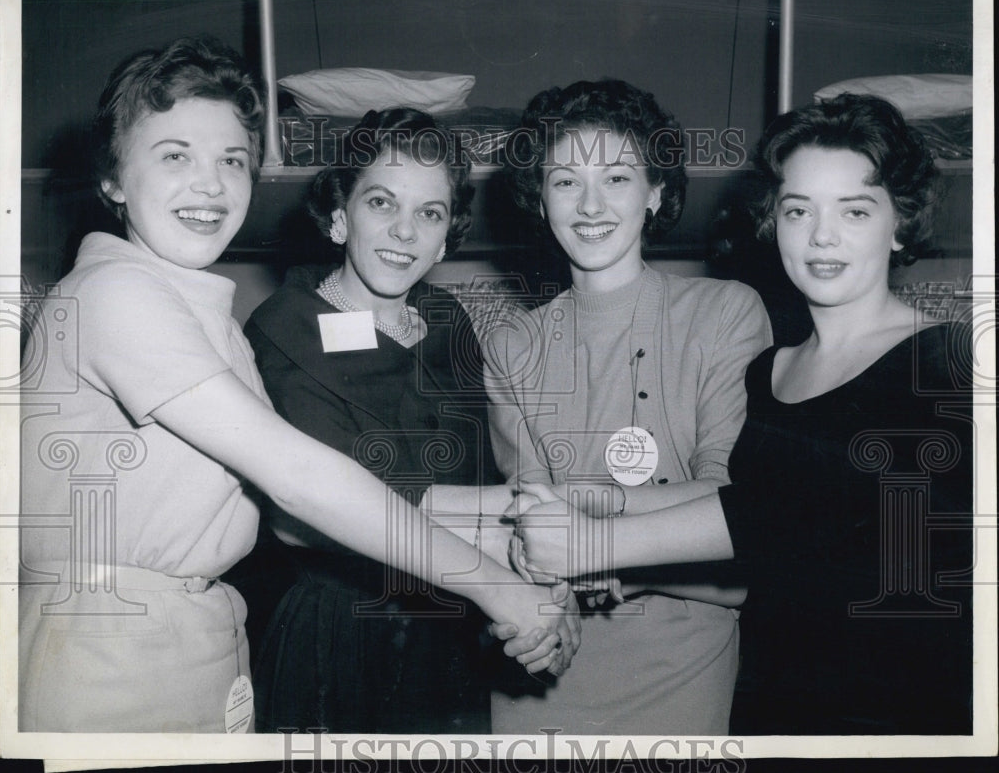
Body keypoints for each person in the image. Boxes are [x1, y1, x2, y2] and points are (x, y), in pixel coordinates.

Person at [17, 36, 574, 734]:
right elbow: (299, 480)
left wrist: (532, 536)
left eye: (232, 161)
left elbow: (292, 509)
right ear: (112, 180)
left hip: (197, 644)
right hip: (110, 653)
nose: (211, 184)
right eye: (175, 156)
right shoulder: (114, 293)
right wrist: (500, 585)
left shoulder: (197, 314)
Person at [512, 93, 974, 734]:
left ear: (901, 224)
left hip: (897, 709)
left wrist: (597, 540)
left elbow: (780, 512)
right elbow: (749, 529)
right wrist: (587, 507)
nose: (822, 235)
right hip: (767, 704)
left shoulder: (945, 362)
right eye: (797, 210)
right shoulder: (774, 372)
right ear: (773, 223)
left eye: (855, 210)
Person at [240, 107, 579, 734]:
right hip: (339, 640)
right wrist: (523, 534)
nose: (404, 231)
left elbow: (492, 465)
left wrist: (548, 589)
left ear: (448, 235)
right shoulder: (283, 326)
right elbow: (306, 519)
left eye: (429, 212)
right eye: (381, 203)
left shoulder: (447, 320)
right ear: (339, 216)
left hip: (449, 632)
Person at [483, 79, 773, 735]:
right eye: (564, 181)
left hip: (681, 663)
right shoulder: (511, 344)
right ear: (539, 197)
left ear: (658, 191)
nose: (590, 204)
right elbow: (530, 520)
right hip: (546, 669)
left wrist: (596, 552)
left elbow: (736, 509)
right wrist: (538, 614)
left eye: (616, 177)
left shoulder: (725, 312)